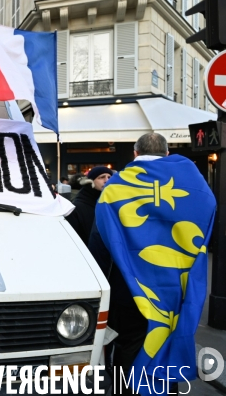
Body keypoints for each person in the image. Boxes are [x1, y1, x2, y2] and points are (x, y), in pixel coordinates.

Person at [89, 133, 215, 394]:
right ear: (167, 154)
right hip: (176, 287)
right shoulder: (196, 186)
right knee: (168, 340)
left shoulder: (115, 188)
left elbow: (99, 243)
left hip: (130, 289)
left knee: (129, 348)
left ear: (135, 154)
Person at [65, 166, 113, 245]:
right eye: (101, 177)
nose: (106, 180)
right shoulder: (77, 207)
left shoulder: (110, 204)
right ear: (90, 181)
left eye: (109, 177)